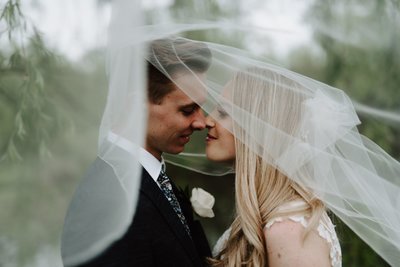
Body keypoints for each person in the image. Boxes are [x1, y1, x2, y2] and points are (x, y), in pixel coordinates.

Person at [61, 37, 212, 267]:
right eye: (188, 110)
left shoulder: (153, 180)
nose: (201, 123)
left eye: (201, 107)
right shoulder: (106, 202)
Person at [205, 67, 342, 267]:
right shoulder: (269, 216)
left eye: (223, 112)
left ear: (258, 129)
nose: (208, 120)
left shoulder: (290, 229)